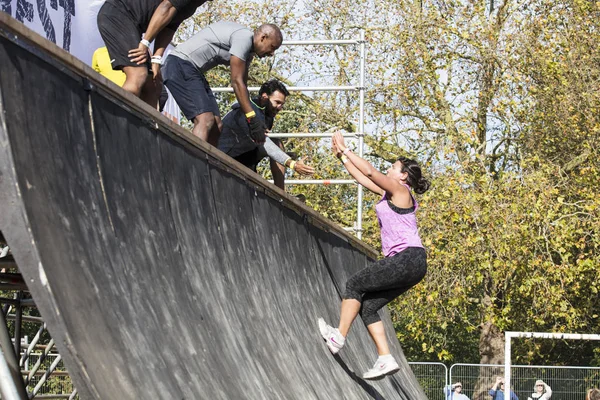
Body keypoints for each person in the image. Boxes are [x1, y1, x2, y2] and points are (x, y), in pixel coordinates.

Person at [317, 132, 430, 380]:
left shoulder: (401, 190)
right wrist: (342, 159)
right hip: (413, 264)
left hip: (407, 257)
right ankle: (385, 358)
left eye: (393, 167)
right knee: (368, 306)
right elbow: (361, 178)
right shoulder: (389, 194)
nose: (389, 170)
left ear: (403, 175)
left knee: (354, 284)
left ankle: (338, 337)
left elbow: (369, 171)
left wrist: (347, 150)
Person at [162, 21, 283, 146]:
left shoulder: (248, 53)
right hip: (179, 64)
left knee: (216, 125)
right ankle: (193, 163)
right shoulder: (244, 38)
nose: (272, 53)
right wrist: (252, 119)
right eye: (272, 47)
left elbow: (243, 87)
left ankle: (207, 163)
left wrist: (255, 119)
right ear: (263, 38)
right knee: (205, 119)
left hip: (194, 71)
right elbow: (236, 82)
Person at [97, 0, 211, 107]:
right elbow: (166, 7)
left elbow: (169, 27)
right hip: (117, 14)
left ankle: (144, 127)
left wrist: (156, 60)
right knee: (138, 74)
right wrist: (145, 42)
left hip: (132, 23)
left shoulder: (193, 5)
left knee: (153, 86)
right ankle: (119, 123)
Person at [217, 79, 314, 189]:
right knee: (275, 144)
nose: (280, 108)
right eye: (277, 102)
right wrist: (292, 164)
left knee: (277, 143)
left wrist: (283, 155)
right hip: (225, 159)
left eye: (282, 104)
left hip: (246, 159)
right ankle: (280, 196)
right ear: (264, 97)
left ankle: (281, 194)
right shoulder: (248, 111)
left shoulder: (268, 116)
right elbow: (264, 142)